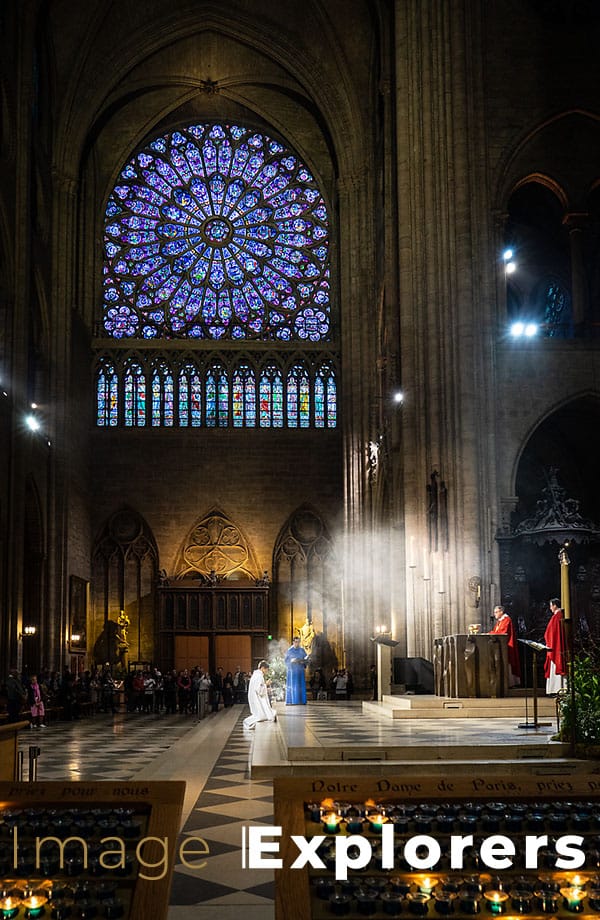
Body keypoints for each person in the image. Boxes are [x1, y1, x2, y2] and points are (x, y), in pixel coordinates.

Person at [488, 604, 521, 687]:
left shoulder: (506, 620)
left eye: (496, 612)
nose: (494, 614)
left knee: (508, 663)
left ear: (501, 612)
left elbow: (503, 632)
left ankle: (510, 683)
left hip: (507, 645)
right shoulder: (500, 621)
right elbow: (496, 631)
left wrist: (492, 633)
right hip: (501, 646)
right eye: (494, 612)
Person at [243, 661, 277, 729]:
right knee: (260, 716)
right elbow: (259, 690)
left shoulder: (257, 675)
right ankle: (247, 722)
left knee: (263, 715)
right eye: (267, 669)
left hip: (256, 697)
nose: (267, 671)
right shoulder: (258, 676)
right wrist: (266, 684)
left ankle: (248, 722)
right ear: (262, 668)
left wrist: (266, 687)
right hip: (257, 699)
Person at [544, 597, 567, 695]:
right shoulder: (558, 616)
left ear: (555, 605)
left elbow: (553, 633)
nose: (550, 608)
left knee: (557, 665)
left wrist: (549, 641)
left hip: (555, 646)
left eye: (551, 606)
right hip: (554, 644)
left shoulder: (557, 617)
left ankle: (556, 689)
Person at [285, 636, 308, 704]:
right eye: (296, 642)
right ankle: (293, 701)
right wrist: (292, 661)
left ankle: (302, 701)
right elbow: (286, 661)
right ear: (293, 642)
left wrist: (304, 661)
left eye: (298, 642)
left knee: (301, 686)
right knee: (294, 686)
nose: (297, 643)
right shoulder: (289, 650)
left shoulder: (302, 650)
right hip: (293, 672)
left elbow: (306, 659)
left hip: (300, 671)